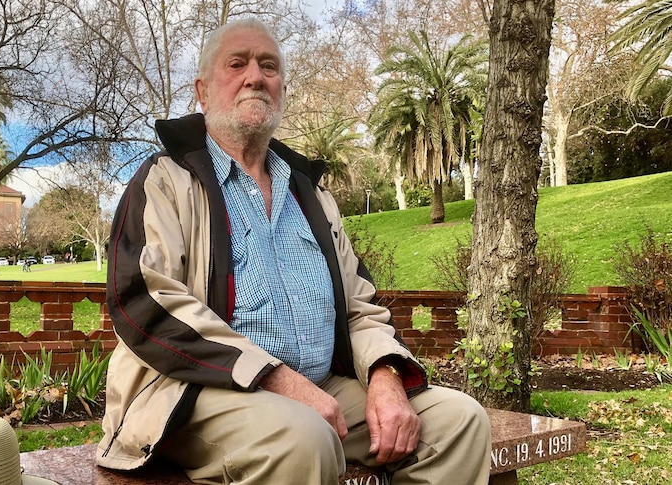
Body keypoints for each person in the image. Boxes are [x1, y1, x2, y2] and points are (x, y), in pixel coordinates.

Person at [96, 18, 491, 484]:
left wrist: (385, 377)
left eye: (269, 66)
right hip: (192, 394)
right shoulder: (165, 181)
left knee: (459, 423)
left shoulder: (311, 195)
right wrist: (278, 378)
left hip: (321, 390)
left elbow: (360, 307)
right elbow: (144, 299)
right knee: (303, 437)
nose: (255, 77)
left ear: (283, 88)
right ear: (202, 91)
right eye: (237, 63)